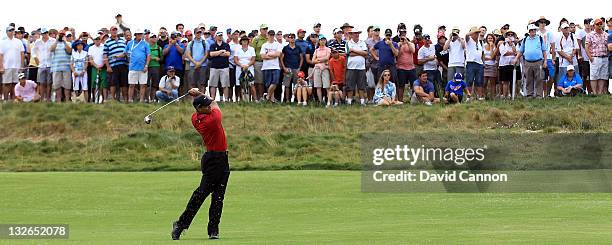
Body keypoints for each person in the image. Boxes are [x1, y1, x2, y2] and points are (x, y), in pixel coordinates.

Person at [172, 89, 230, 241]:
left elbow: (209, 103)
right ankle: (180, 224)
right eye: (206, 106)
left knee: (218, 196)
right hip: (214, 159)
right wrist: (199, 92)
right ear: (199, 108)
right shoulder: (213, 119)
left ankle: (213, 230)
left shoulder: (195, 117)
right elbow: (214, 102)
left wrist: (197, 94)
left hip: (220, 158)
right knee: (202, 194)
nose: (209, 106)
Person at [515, 24, 547, 98]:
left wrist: (545, 61)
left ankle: (539, 95)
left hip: (538, 61)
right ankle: (530, 95)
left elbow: (544, 51)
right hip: (528, 62)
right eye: (531, 30)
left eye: (534, 30)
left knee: (539, 78)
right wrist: (516, 58)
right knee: (529, 79)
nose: (533, 31)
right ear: (529, 31)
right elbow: (521, 51)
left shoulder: (540, 38)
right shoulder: (525, 39)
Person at [104, 26, 129, 101]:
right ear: (110, 31)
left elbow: (126, 52)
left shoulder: (123, 40)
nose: (114, 31)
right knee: (113, 83)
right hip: (113, 65)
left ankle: (125, 99)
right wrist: (108, 66)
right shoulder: (107, 42)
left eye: (115, 30)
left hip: (123, 64)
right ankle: (113, 99)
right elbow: (105, 55)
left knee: (124, 83)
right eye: (113, 30)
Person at [585, 18, 609, 95]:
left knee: (603, 75)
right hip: (595, 57)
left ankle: (600, 92)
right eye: (597, 24)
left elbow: (608, 46)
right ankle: (594, 93)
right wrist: (590, 58)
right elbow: (586, 47)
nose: (599, 25)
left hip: (604, 57)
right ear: (594, 25)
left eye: (600, 24)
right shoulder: (590, 35)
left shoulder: (606, 34)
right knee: (594, 76)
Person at [1, 26, 25, 101]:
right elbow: (1, 55)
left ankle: (14, 99)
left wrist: (22, 65)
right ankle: (5, 100)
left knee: (16, 84)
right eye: (9, 31)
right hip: (6, 66)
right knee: (6, 84)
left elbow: (22, 54)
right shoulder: (2, 42)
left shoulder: (18, 42)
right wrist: (1, 67)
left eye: (12, 30)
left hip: (17, 66)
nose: (11, 32)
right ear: (6, 32)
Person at [126, 29, 150, 103]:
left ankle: (141, 100)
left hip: (143, 67)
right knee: (131, 85)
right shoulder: (130, 43)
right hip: (133, 67)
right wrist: (117, 56)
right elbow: (125, 53)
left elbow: (148, 55)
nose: (140, 35)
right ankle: (130, 100)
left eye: (141, 34)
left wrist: (146, 66)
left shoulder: (145, 44)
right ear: (135, 35)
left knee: (143, 85)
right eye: (138, 34)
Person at [345, 28, 368, 105]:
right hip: (351, 67)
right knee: (350, 86)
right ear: (351, 34)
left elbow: (366, 53)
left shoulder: (363, 42)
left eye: (358, 33)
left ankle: (362, 101)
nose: (357, 34)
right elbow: (350, 54)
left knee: (361, 85)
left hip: (361, 67)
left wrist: (354, 50)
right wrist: (361, 53)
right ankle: (349, 101)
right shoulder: (348, 43)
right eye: (355, 33)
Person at [260, 30, 283, 102]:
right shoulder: (264, 45)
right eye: (270, 35)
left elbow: (278, 54)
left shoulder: (277, 44)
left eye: (273, 35)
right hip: (266, 66)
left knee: (275, 82)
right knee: (268, 84)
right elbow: (262, 56)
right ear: (267, 35)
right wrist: (273, 55)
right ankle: (272, 100)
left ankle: (267, 97)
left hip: (275, 66)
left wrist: (269, 54)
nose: (271, 36)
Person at [536, 16, 557, 97]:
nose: (542, 23)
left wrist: (553, 58)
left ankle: (547, 93)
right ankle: (541, 94)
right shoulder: (536, 33)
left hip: (548, 57)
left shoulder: (550, 33)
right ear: (538, 23)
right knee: (541, 77)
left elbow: (553, 46)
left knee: (551, 76)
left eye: (544, 22)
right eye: (541, 22)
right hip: (539, 58)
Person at [32, 28, 54, 101]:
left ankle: (48, 98)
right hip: (41, 65)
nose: (45, 34)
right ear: (41, 34)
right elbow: (33, 51)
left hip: (50, 64)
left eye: (46, 33)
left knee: (49, 83)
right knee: (41, 83)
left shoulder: (53, 40)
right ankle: (42, 98)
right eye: (43, 33)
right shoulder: (38, 41)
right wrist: (36, 59)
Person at [208, 32, 231, 101]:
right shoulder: (212, 45)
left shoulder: (226, 45)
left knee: (225, 84)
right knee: (213, 84)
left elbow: (228, 54)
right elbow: (211, 54)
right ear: (216, 37)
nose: (220, 37)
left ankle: (226, 99)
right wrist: (221, 51)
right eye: (219, 36)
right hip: (214, 67)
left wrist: (217, 53)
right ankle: (212, 99)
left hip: (224, 67)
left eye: (221, 35)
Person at [280, 33, 303, 103]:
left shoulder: (298, 47)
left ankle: (296, 100)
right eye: (290, 37)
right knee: (287, 85)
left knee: (296, 85)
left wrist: (299, 67)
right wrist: (284, 68)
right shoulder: (285, 48)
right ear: (288, 39)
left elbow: (301, 58)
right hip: (288, 68)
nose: (292, 39)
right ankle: (287, 100)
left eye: (293, 37)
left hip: (296, 68)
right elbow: (281, 58)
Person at [51, 30, 73, 102]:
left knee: (67, 85)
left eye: (63, 35)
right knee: (57, 85)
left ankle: (67, 100)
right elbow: (51, 49)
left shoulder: (68, 43)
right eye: (60, 35)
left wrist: (64, 41)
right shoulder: (54, 43)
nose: (61, 36)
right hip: (56, 67)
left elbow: (69, 51)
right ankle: (59, 101)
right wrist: (57, 41)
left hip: (66, 67)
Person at [185, 29, 209, 95]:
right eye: (197, 33)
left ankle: (202, 98)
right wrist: (195, 62)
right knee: (193, 83)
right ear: (195, 34)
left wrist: (200, 63)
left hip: (203, 65)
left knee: (202, 83)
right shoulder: (191, 43)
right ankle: (194, 100)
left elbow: (206, 54)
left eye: (200, 33)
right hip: (193, 65)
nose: (199, 34)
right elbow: (188, 54)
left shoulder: (205, 43)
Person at [465, 27, 485, 100]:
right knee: (469, 80)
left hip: (479, 63)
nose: (477, 34)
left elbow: (482, 53)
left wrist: (483, 63)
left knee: (479, 81)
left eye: (478, 33)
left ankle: (479, 96)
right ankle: (469, 97)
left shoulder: (481, 42)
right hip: (471, 63)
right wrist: (473, 31)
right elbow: (466, 35)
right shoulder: (469, 40)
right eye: (475, 33)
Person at [234, 36, 256, 101]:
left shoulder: (251, 49)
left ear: (248, 41)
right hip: (239, 68)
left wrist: (247, 65)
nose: (244, 42)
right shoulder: (237, 49)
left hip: (249, 68)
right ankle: (242, 100)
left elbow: (253, 59)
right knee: (240, 84)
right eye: (243, 40)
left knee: (251, 84)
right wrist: (241, 65)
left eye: (246, 40)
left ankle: (255, 99)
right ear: (241, 41)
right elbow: (235, 59)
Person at [497, 30, 518, 99]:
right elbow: (503, 53)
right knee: (505, 82)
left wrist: (512, 45)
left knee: (513, 81)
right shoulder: (502, 43)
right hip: (504, 65)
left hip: (512, 65)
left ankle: (513, 96)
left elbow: (516, 52)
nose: (510, 36)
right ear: (506, 36)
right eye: (508, 34)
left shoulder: (514, 44)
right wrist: (513, 53)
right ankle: (505, 96)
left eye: (511, 35)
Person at [396, 33, 416, 103]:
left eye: (403, 38)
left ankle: (414, 99)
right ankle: (400, 100)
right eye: (401, 38)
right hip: (401, 68)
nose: (402, 39)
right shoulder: (398, 44)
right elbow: (396, 53)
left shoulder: (411, 44)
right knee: (401, 85)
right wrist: (399, 45)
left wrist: (407, 42)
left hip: (411, 68)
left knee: (413, 84)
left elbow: (413, 50)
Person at [251, 24, 269, 100]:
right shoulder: (256, 39)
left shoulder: (269, 38)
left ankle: (266, 97)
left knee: (267, 81)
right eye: (263, 29)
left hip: (268, 62)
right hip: (258, 62)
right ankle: (259, 97)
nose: (265, 30)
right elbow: (252, 51)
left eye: (266, 29)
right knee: (259, 81)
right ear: (260, 30)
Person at [312, 35, 331, 104]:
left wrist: (318, 59)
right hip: (317, 69)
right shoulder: (316, 50)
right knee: (318, 86)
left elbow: (327, 58)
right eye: (321, 40)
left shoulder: (328, 49)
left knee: (327, 86)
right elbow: (312, 61)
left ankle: (329, 102)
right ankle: (320, 102)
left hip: (325, 68)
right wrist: (318, 61)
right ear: (319, 41)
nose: (323, 41)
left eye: (324, 40)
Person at [148, 33, 163, 102]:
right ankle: (147, 98)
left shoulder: (159, 48)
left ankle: (153, 98)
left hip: (156, 67)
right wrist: (152, 58)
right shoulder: (146, 47)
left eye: (155, 37)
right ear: (149, 38)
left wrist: (158, 59)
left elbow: (162, 59)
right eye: (152, 37)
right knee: (147, 84)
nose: (154, 38)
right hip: (147, 66)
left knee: (155, 84)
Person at [483, 34, 498, 99]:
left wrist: (491, 47)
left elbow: (492, 56)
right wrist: (489, 58)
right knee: (484, 82)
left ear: (493, 39)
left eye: (491, 38)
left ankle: (493, 97)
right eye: (489, 38)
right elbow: (482, 57)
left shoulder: (495, 47)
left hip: (492, 66)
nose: (490, 39)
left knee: (493, 83)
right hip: (485, 66)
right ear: (486, 39)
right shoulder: (484, 46)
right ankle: (484, 96)